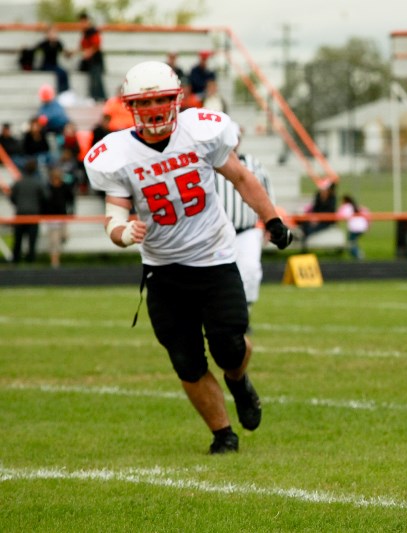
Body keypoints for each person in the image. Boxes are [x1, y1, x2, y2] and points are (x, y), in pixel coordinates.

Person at [83, 61, 293, 455]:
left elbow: (242, 178)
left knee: (230, 346)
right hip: (163, 269)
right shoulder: (117, 153)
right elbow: (114, 215)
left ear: (177, 98)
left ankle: (239, 379)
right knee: (186, 359)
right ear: (131, 106)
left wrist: (273, 220)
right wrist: (123, 233)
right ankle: (223, 434)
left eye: (162, 98)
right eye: (146, 101)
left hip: (214, 257)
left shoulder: (200, 132)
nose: (156, 107)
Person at [214, 138, 274, 318]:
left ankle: (244, 314)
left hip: (247, 229)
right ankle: (217, 314)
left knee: (250, 270)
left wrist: (270, 221)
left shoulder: (253, 163)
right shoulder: (208, 162)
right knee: (216, 275)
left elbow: (266, 192)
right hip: (217, 233)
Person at [10, 158, 48, 264]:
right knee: (32, 240)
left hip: (20, 214)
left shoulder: (18, 182)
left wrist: (19, 204)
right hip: (33, 214)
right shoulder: (38, 183)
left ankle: (15, 259)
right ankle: (31, 260)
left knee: (18, 239)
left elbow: (12, 197)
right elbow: (45, 197)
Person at [43, 165, 75, 268]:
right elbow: (44, 201)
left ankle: (56, 254)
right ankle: (55, 261)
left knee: (64, 236)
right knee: (54, 239)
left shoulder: (65, 187)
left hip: (62, 216)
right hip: (51, 217)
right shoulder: (48, 187)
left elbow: (71, 199)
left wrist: (71, 211)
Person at [77, 11, 106, 102]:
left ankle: (100, 98)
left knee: (96, 80)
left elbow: (96, 46)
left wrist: (88, 52)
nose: (82, 24)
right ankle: (94, 98)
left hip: (96, 61)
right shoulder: (85, 33)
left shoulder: (93, 32)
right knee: (92, 80)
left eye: (84, 21)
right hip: (90, 62)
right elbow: (81, 47)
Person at [33, 25, 70, 94]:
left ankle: (66, 91)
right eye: (51, 33)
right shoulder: (44, 43)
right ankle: (61, 92)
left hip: (54, 65)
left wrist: (69, 53)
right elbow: (34, 50)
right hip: (46, 65)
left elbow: (65, 53)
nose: (53, 34)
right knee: (60, 73)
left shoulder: (58, 43)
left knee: (64, 72)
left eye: (54, 33)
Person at [300, 180, 337, 247]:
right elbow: (315, 209)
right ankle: (302, 241)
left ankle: (304, 243)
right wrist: (314, 218)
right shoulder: (318, 196)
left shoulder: (332, 198)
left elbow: (329, 212)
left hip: (326, 221)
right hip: (317, 219)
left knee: (311, 229)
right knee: (304, 224)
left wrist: (318, 219)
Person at [337, 194, 370, 260]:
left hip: (355, 228)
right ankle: (357, 255)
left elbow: (339, 215)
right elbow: (367, 213)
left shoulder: (346, 206)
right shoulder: (356, 206)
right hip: (362, 226)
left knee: (350, 243)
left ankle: (359, 256)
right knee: (353, 242)